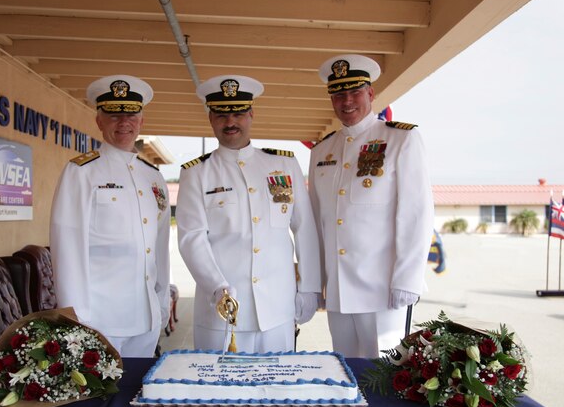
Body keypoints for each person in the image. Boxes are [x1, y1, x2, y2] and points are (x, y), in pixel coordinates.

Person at [176, 75, 321, 353]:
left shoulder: (283, 164)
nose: (230, 122)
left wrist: (310, 287)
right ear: (210, 118)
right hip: (221, 309)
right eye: (221, 115)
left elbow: (305, 228)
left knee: (277, 391)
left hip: (277, 309)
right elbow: (191, 238)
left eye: (239, 113)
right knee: (218, 393)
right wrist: (216, 286)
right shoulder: (196, 173)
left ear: (251, 114)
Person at [309, 54, 434, 358]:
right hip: (338, 290)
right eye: (338, 94)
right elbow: (317, 223)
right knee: (347, 372)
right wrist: (318, 282)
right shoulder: (322, 151)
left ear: (371, 94)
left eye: (354, 92)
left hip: (384, 290)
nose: (346, 101)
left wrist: (408, 278)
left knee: (387, 379)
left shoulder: (401, 139)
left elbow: (417, 214)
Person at [50, 75, 171, 358]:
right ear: (99, 121)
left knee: (137, 395)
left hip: (146, 316)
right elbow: (67, 247)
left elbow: (160, 247)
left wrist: (162, 301)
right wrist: (76, 318)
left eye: (131, 115)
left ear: (141, 121)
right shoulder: (81, 172)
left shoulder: (152, 176)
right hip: (101, 319)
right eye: (114, 115)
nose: (123, 123)